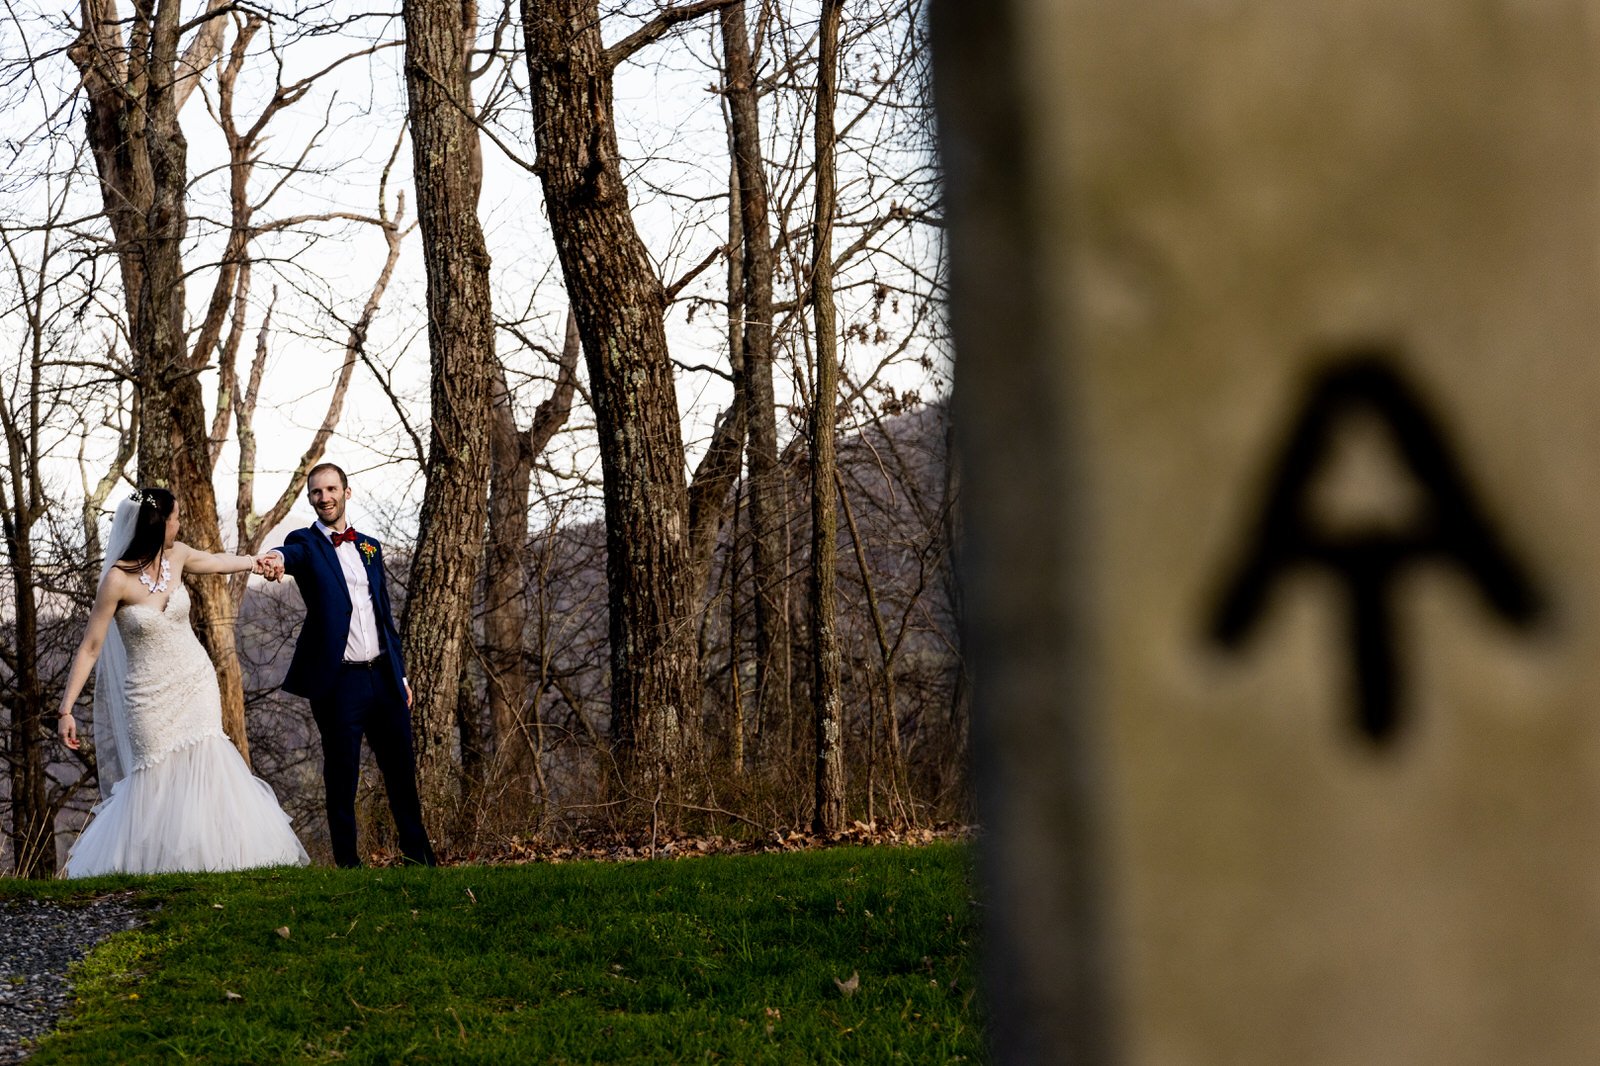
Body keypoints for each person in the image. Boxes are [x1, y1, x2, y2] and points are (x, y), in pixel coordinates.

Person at [56, 488, 309, 877]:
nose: (179, 524)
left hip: (194, 681)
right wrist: (67, 708)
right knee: (154, 777)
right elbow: (91, 646)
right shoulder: (117, 580)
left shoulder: (177, 556)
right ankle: (155, 868)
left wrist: (254, 562)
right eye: (175, 518)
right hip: (147, 696)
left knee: (207, 764)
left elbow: (213, 561)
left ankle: (217, 862)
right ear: (158, 525)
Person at [259, 462, 436, 867]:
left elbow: (383, 616)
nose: (324, 497)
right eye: (317, 492)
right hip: (340, 683)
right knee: (342, 777)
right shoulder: (305, 541)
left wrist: (401, 674)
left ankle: (420, 859)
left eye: (331, 489)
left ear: (346, 492)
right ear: (311, 498)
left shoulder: (370, 547)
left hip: (384, 677)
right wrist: (275, 557)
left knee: (401, 774)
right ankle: (348, 867)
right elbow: (292, 554)